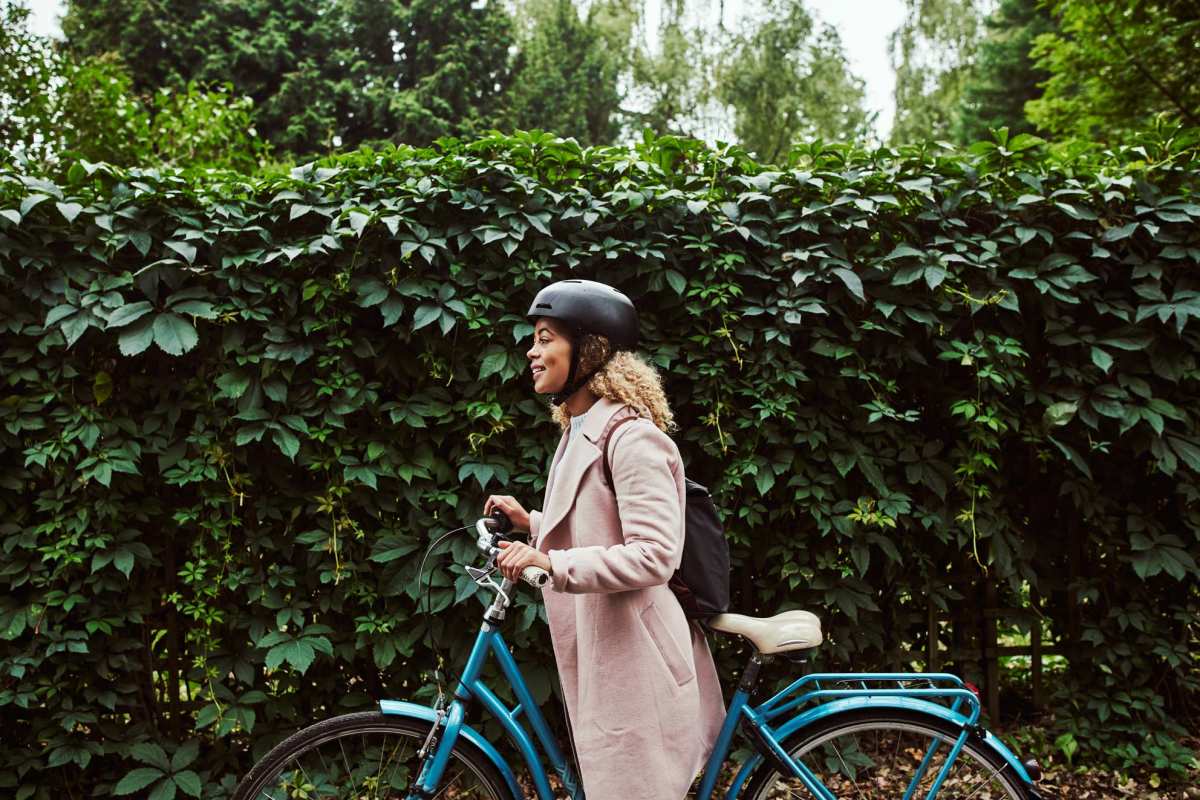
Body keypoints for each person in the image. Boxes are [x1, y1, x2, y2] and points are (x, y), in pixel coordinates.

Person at [484, 279, 725, 800]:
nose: (532, 351)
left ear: (589, 350)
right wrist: (534, 523)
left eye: (546, 337)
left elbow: (654, 554)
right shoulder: (580, 429)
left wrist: (551, 563)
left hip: (637, 659)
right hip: (610, 644)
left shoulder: (633, 437)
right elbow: (601, 521)